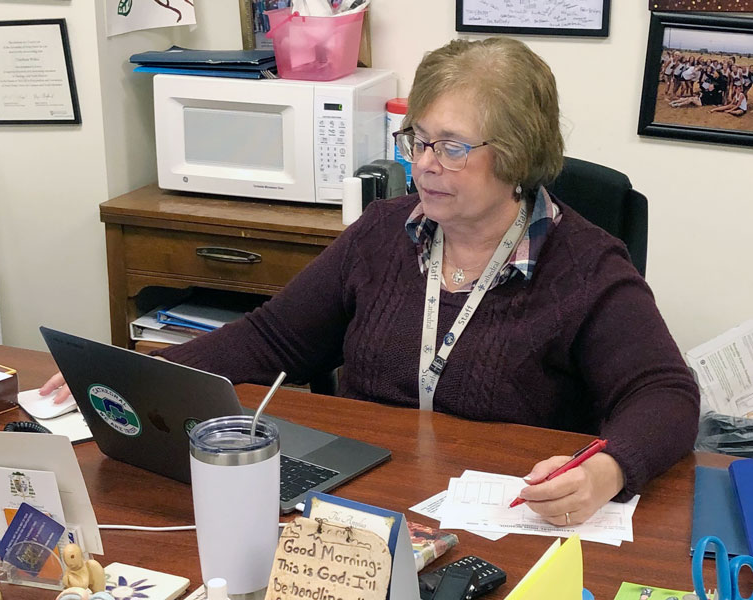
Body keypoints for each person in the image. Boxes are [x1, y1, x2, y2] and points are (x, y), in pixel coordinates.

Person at [42, 37, 700, 527]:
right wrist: (129, 375)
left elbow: (665, 393)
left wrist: (605, 471)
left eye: (452, 146)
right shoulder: (385, 232)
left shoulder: (584, 266)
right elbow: (273, 339)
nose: (424, 165)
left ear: (520, 153)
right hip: (358, 496)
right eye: (417, 140)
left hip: (501, 516)